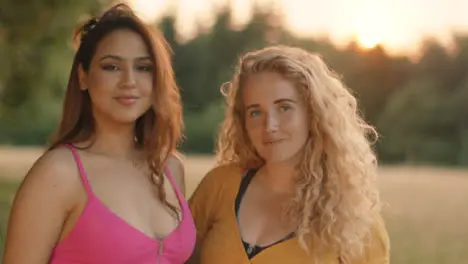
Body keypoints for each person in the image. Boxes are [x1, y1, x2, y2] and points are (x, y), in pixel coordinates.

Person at [2, 3, 195, 264]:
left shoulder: (171, 168)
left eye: (143, 67)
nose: (129, 81)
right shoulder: (59, 173)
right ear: (83, 77)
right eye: (111, 67)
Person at [188, 45, 390, 264]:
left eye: (284, 107)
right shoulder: (219, 185)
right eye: (255, 112)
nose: (270, 126)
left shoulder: (356, 222)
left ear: (313, 112)